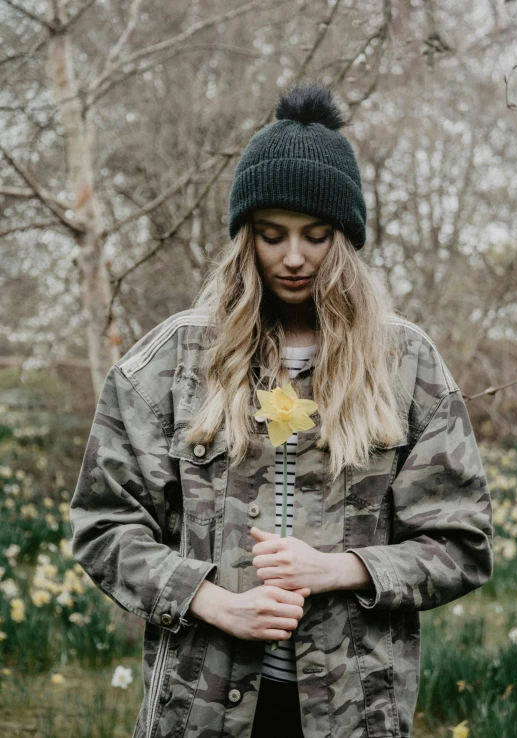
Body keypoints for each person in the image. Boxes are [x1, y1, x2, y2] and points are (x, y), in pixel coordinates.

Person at [69, 82, 494, 738]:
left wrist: (339, 569)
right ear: (246, 238)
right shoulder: (173, 360)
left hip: (355, 711)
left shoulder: (406, 364)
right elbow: (104, 524)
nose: (293, 257)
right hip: (200, 708)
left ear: (345, 240)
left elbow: (461, 544)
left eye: (316, 235)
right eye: (271, 235)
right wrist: (208, 600)